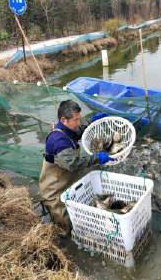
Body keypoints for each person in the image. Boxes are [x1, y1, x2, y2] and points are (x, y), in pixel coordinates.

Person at [39, 100, 114, 236]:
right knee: (65, 229)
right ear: (63, 119)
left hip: (66, 187)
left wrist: (92, 121)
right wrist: (97, 158)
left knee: (76, 224)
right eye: (76, 120)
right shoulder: (59, 141)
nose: (78, 122)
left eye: (79, 119)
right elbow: (73, 165)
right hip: (55, 193)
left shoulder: (65, 130)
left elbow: (76, 132)